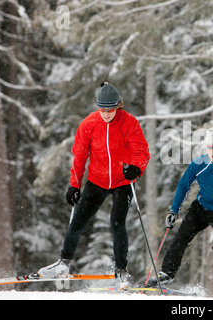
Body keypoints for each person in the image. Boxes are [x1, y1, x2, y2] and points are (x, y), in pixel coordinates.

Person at [37, 82, 150, 289]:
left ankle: (121, 272)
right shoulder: (89, 124)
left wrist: (136, 168)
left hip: (122, 182)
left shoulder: (129, 122)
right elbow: (79, 157)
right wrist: (74, 185)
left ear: (118, 106)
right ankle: (63, 263)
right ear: (98, 107)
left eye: (111, 109)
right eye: (103, 109)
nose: (107, 114)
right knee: (78, 220)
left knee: (117, 222)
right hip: (97, 180)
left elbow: (141, 150)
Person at [148, 128, 213, 299]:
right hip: (201, 208)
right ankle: (166, 273)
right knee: (181, 237)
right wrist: (173, 211)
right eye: (210, 148)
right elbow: (183, 186)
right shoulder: (199, 164)